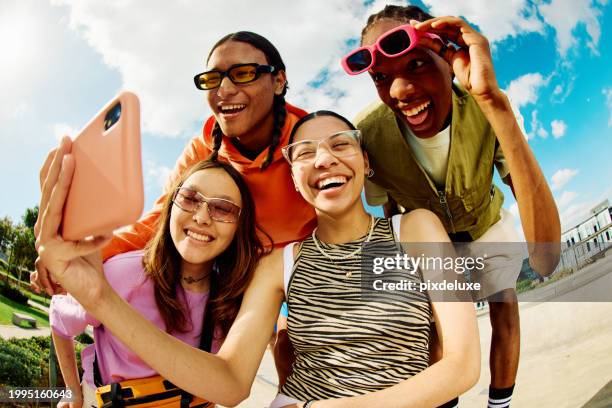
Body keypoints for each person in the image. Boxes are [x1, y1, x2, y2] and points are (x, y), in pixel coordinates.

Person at [38, 110, 480, 407]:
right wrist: (100, 298)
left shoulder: (416, 229)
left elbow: (462, 365)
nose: (324, 159)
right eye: (305, 153)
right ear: (294, 176)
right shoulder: (277, 266)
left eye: (340, 145)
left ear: (366, 162)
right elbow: (229, 382)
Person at [30, 30, 312, 384]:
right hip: (236, 277)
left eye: (243, 73)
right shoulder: (203, 148)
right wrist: (76, 258)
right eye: (213, 79)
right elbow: (159, 220)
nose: (224, 89)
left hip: (297, 273)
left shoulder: (310, 141)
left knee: (293, 347)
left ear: (279, 80)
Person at [343, 5, 561, 407]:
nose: (400, 91)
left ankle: (500, 403)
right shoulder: (369, 132)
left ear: (448, 56)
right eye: (382, 77)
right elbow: (389, 209)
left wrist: (494, 104)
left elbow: (546, 259)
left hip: (484, 222)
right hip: (430, 237)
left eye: (418, 64)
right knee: (433, 329)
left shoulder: (485, 105)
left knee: (503, 301)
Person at [50, 159, 263, 408]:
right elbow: (60, 320)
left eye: (223, 208)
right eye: (190, 198)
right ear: (171, 206)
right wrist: (73, 391)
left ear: (240, 226)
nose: (202, 217)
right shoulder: (120, 273)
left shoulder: (238, 301)